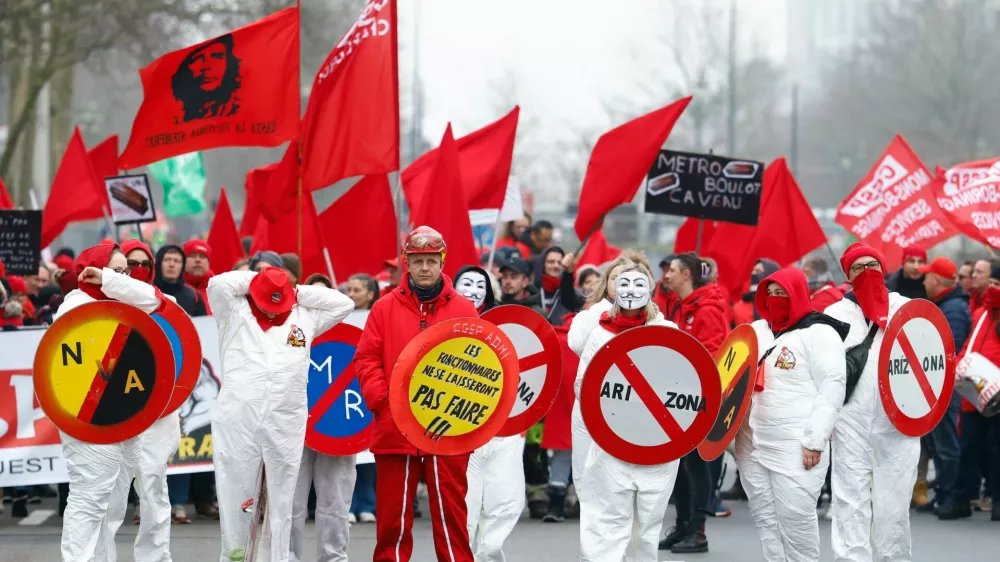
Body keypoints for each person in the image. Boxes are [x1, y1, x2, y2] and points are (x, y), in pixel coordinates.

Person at [208, 266, 354, 562]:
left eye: (279, 303)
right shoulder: (233, 311)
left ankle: (277, 558)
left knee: (282, 502)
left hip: (285, 420)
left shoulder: (305, 315)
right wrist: (259, 280)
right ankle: (234, 557)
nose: (274, 311)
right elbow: (217, 282)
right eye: (268, 303)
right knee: (236, 494)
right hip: (239, 419)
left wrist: (293, 290)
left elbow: (344, 304)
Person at [355, 226, 480, 562]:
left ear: (442, 262)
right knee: (392, 520)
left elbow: (479, 365)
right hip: (395, 427)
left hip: (448, 428)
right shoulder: (383, 308)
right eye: (417, 261)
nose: (425, 268)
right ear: (406, 264)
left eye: (431, 260)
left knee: (451, 516)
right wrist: (383, 402)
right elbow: (366, 359)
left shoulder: (465, 309)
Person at [56, 243, 169, 562]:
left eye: (126, 272)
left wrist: (111, 280)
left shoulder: (124, 298)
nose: (124, 278)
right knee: (89, 499)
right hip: (88, 418)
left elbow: (155, 299)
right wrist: (110, 281)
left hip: (127, 415)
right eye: (115, 270)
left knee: (114, 503)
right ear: (91, 269)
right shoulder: (75, 304)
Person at [736, 267, 849, 561]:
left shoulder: (820, 333)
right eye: (770, 294)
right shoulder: (758, 332)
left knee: (795, 521)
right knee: (765, 520)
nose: (775, 300)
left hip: (797, 447)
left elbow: (833, 387)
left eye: (781, 294)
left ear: (797, 294)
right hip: (753, 445)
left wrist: (815, 439)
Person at [578, 261, 681, 561]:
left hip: (658, 444)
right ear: (613, 290)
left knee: (647, 526)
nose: (631, 291)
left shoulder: (667, 331)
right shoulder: (600, 334)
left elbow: (685, 383)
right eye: (624, 284)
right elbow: (585, 384)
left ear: (650, 290)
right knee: (607, 519)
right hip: (611, 440)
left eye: (639, 284)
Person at [824, 243, 915, 562]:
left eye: (872, 265)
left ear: (884, 268)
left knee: (895, 502)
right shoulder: (835, 315)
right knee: (850, 498)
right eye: (858, 267)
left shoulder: (908, 309)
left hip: (899, 421)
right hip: (851, 419)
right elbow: (822, 371)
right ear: (847, 275)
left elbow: (935, 362)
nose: (867, 272)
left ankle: (894, 557)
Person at [659, 252, 728, 554]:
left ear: (687, 275)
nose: (666, 275)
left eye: (672, 270)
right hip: (679, 398)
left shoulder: (707, 309)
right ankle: (683, 524)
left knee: (696, 465)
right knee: (681, 465)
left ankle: (698, 531)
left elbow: (712, 355)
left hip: (698, 400)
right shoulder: (682, 306)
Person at [119, 239, 182, 560]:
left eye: (144, 264)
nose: (138, 270)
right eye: (131, 263)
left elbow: (182, 359)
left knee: (154, 486)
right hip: (114, 411)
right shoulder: (100, 306)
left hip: (158, 413)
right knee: (111, 494)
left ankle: (155, 557)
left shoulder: (167, 304)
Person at [455, 265, 523, 562]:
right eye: (466, 282)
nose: (473, 289)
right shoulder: (437, 321)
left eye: (480, 284)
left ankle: (489, 554)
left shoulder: (507, 324)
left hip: (503, 429)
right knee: (464, 504)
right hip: (458, 427)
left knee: (506, 500)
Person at [919, 257, 971, 519]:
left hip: (945, 387)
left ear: (937, 280)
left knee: (946, 443)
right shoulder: (946, 305)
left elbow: (950, 348)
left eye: (928, 276)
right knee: (938, 443)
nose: (924, 279)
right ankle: (943, 493)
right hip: (936, 385)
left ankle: (950, 497)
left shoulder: (953, 309)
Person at [956, 263, 1000, 522]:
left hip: (994, 390)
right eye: (991, 285)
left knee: (996, 448)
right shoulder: (981, 311)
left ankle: (996, 497)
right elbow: (970, 346)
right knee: (971, 445)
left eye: (996, 285)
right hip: (977, 389)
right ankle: (963, 497)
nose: (992, 290)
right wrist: (959, 367)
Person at [154, 244, 206, 317]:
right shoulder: (149, 292)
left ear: (182, 266)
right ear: (159, 264)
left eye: (177, 261)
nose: (172, 265)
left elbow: (203, 325)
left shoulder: (194, 296)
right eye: (167, 260)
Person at [183, 239, 213, 314]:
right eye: (192, 256)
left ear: (209, 262)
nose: (197, 260)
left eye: (202, 256)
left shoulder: (220, 291)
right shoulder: (174, 290)